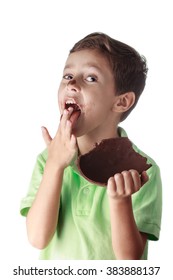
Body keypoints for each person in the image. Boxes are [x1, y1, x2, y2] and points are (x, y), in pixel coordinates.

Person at [20, 32, 162, 260]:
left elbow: (131, 262)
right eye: (67, 76)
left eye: (91, 78)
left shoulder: (144, 170)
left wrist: (119, 201)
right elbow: (37, 238)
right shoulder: (47, 160)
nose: (72, 84)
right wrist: (55, 167)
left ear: (121, 101)